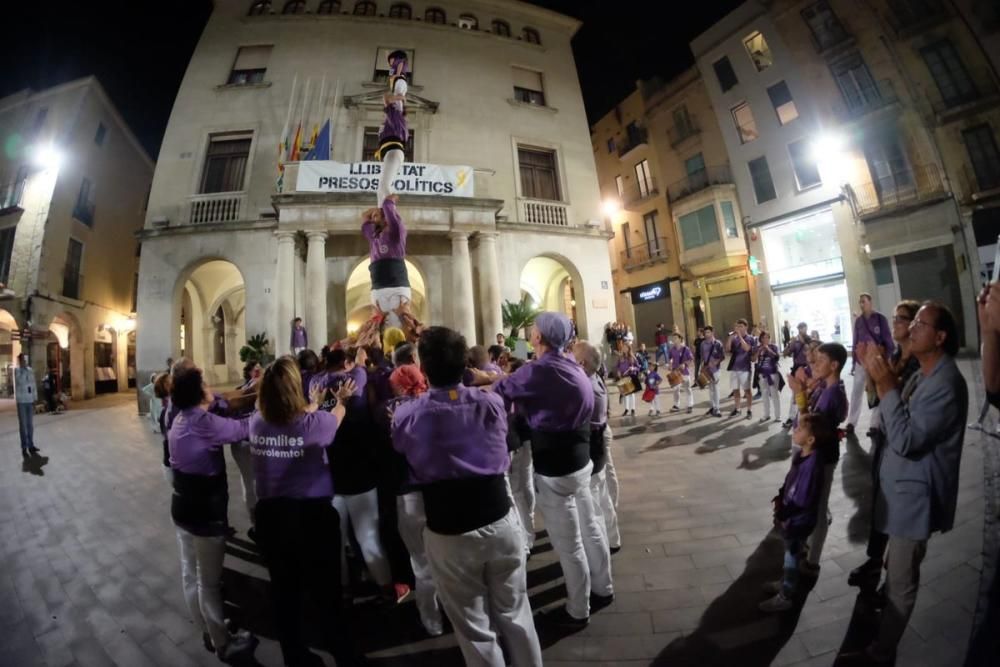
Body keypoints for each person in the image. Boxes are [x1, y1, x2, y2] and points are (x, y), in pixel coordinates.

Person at [392, 327, 543, 666]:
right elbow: (503, 383)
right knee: (516, 613)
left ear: (424, 368)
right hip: (499, 517)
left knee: (475, 629)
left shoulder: (409, 415)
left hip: (449, 529)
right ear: (464, 365)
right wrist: (484, 375)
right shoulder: (490, 402)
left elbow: (401, 446)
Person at [849, 302, 967, 664]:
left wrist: (885, 384)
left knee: (900, 584)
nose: (912, 328)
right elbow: (889, 413)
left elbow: (905, 439)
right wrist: (880, 375)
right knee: (893, 570)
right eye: (910, 321)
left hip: (915, 500)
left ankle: (881, 653)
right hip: (899, 494)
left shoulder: (946, 383)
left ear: (941, 336)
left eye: (920, 323)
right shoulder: (922, 374)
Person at [492, 312, 613, 629]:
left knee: (570, 545)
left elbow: (500, 393)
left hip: (555, 468)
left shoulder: (538, 370)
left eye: (533, 330)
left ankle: (578, 610)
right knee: (592, 527)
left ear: (538, 338)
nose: (531, 333)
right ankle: (604, 587)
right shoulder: (573, 365)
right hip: (581, 460)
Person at [249, 356, 365, 666]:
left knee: (285, 592)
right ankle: (343, 653)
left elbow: (296, 420)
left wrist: (313, 403)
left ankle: (295, 655)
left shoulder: (256, 422)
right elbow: (336, 415)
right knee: (326, 592)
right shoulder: (316, 426)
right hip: (311, 517)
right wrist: (339, 400)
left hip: (272, 517)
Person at [167, 364, 256, 660]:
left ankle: (208, 627)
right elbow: (242, 429)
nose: (210, 387)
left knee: (190, 574)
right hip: (206, 511)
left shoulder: (178, 418)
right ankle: (224, 644)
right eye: (204, 384)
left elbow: (220, 400)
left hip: (182, 507)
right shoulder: (203, 422)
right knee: (209, 582)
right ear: (197, 392)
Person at [313, 347, 407, 604]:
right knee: (368, 536)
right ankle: (387, 588)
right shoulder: (355, 381)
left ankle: (342, 589)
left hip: (329, 476)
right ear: (347, 363)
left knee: (336, 540)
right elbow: (359, 370)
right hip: (360, 475)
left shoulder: (316, 386)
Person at [848, 300, 921, 591]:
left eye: (902, 318)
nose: (896, 323)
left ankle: (894, 576)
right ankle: (874, 560)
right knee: (880, 500)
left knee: (896, 506)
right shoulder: (893, 355)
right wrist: (871, 374)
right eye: (895, 318)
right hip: (885, 438)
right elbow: (877, 399)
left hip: (902, 441)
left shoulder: (919, 363)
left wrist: (883, 380)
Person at [382, 363, 444, 637]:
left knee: (421, 561)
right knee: (446, 557)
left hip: (410, 492)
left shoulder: (391, 411)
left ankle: (432, 621)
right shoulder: (435, 404)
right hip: (438, 490)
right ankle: (453, 610)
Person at [759, 413, 832, 612]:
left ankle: (785, 596)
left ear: (811, 440)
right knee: (789, 555)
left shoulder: (813, 465)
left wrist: (785, 512)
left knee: (792, 558)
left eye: (800, 429)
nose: (795, 430)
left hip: (798, 520)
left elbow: (804, 499)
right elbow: (791, 480)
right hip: (792, 517)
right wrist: (782, 494)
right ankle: (784, 583)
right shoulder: (802, 455)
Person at [786, 342, 848, 574]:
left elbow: (808, 425)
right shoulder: (827, 388)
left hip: (821, 456)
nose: (815, 364)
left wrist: (799, 395)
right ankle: (808, 550)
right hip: (816, 455)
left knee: (818, 509)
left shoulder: (832, 394)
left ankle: (812, 561)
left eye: (820, 361)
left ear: (834, 365)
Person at [573, 341, 621, 554]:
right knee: (602, 493)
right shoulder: (594, 378)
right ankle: (612, 539)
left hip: (593, 444)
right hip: (598, 440)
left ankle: (600, 548)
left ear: (581, 363)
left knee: (593, 502)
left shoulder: (585, 386)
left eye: (572, 356)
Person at [848, 293, 894, 436]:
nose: (861, 304)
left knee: (875, 390)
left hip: (876, 360)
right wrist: (854, 361)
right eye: (860, 302)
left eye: (864, 301)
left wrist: (887, 357)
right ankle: (851, 422)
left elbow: (887, 339)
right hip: (861, 362)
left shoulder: (880, 319)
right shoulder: (859, 321)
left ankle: (875, 424)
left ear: (870, 302)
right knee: (857, 391)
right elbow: (855, 341)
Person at [376, 50, 409, 208]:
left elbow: (386, 99)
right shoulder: (395, 118)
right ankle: (382, 213)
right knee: (380, 189)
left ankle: (389, 215)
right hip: (392, 152)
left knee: (384, 187)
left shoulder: (395, 114)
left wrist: (398, 97)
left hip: (393, 151)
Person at [782, 322, 811, 427]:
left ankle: (806, 417)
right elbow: (785, 354)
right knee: (795, 394)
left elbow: (813, 351)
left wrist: (805, 343)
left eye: (803, 328)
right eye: (800, 328)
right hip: (797, 368)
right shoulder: (795, 342)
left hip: (808, 370)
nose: (802, 330)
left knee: (808, 394)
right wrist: (790, 343)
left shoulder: (810, 340)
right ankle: (791, 417)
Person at [727, 319, 757, 420]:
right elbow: (727, 349)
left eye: (741, 326)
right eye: (737, 326)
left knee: (747, 391)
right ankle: (737, 408)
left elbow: (747, 349)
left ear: (746, 327)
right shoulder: (734, 339)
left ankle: (749, 410)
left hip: (745, 368)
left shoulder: (750, 338)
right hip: (734, 368)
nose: (739, 328)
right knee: (735, 390)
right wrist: (730, 338)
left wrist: (739, 336)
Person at [14, 354, 39, 458]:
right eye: (22, 360)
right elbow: (20, 382)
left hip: (29, 400)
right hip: (21, 402)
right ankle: (24, 447)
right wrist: (24, 370)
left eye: (25, 359)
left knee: (30, 425)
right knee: (23, 426)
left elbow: (33, 385)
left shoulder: (30, 370)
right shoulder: (17, 371)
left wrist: (35, 398)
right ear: (19, 361)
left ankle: (31, 445)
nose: (24, 361)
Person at [756, 331, 782, 423]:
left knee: (774, 394)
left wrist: (768, 349)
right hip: (762, 374)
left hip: (773, 374)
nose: (766, 339)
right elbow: (754, 359)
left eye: (767, 337)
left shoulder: (774, 347)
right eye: (764, 337)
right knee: (764, 395)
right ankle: (766, 414)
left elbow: (777, 357)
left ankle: (778, 416)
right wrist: (758, 352)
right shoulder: (759, 348)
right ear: (761, 339)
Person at [700, 326, 725, 417]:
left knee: (716, 388)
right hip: (707, 369)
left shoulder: (718, 343)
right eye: (705, 333)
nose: (707, 334)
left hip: (715, 370)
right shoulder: (703, 344)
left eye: (708, 332)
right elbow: (702, 357)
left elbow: (722, 356)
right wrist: (702, 368)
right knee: (710, 389)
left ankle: (717, 408)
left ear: (712, 333)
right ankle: (713, 407)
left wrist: (715, 362)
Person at [668, 332, 694, 414]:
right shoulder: (672, 349)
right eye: (673, 338)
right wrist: (670, 364)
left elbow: (691, 359)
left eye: (676, 338)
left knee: (687, 389)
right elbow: (670, 358)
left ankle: (690, 405)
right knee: (676, 390)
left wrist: (685, 364)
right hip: (675, 372)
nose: (674, 340)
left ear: (680, 339)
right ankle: (676, 405)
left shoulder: (686, 349)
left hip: (685, 372)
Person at [617, 347, 640, 417]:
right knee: (626, 394)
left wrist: (633, 368)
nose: (624, 349)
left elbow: (638, 367)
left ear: (628, 348)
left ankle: (633, 409)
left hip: (631, 376)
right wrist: (618, 372)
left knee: (631, 394)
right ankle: (626, 409)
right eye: (624, 347)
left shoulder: (632, 357)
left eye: (625, 347)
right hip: (624, 377)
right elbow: (618, 366)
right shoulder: (621, 357)